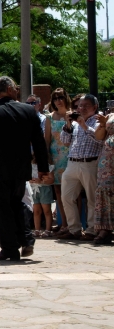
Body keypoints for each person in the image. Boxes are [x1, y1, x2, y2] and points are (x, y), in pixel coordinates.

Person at [0, 76, 49, 260]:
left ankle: (10, 248)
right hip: (20, 167)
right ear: (8, 89)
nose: (17, 90)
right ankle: (27, 239)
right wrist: (43, 168)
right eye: (15, 87)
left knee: (2, 207)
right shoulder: (27, 110)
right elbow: (39, 142)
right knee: (18, 203)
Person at [56, 94, 103, 241]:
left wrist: (84, 125)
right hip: (72, 163)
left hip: (90, 163)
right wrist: (68, 124)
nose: (81, 108)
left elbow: (99, 140)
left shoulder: (98, 121)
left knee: (92, 198)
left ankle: (91, 229)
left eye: (85, 106)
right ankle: (74, 229)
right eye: (79, 106)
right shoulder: (74, 123)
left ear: (94, 107)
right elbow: (64, 141)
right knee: (66, 197)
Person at [44, 88, 72, 232]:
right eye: (55, 98)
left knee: (75, 192)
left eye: (60, 97)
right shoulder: (49, 117)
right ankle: (64, 223)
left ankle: (76, 224)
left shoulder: (72, 114)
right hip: (55, 158)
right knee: (59, 191)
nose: (58, 101)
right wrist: (47, 159)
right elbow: (47, 140)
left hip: (72, 156)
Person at [93, 113, 114, 245]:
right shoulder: (110, 115)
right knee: (105, 193)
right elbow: (99, 137)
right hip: (107, 162)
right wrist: (102, 124)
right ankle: (105, 229)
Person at [30, 156, 55, 238]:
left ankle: (48, 230)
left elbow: (51, 180)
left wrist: (41, 181)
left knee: (47, 210)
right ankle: (37, 230)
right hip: (33, 189)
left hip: (44, 189)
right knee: (36, 211)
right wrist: (30, 180)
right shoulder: (31, 166)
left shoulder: (48, 166)